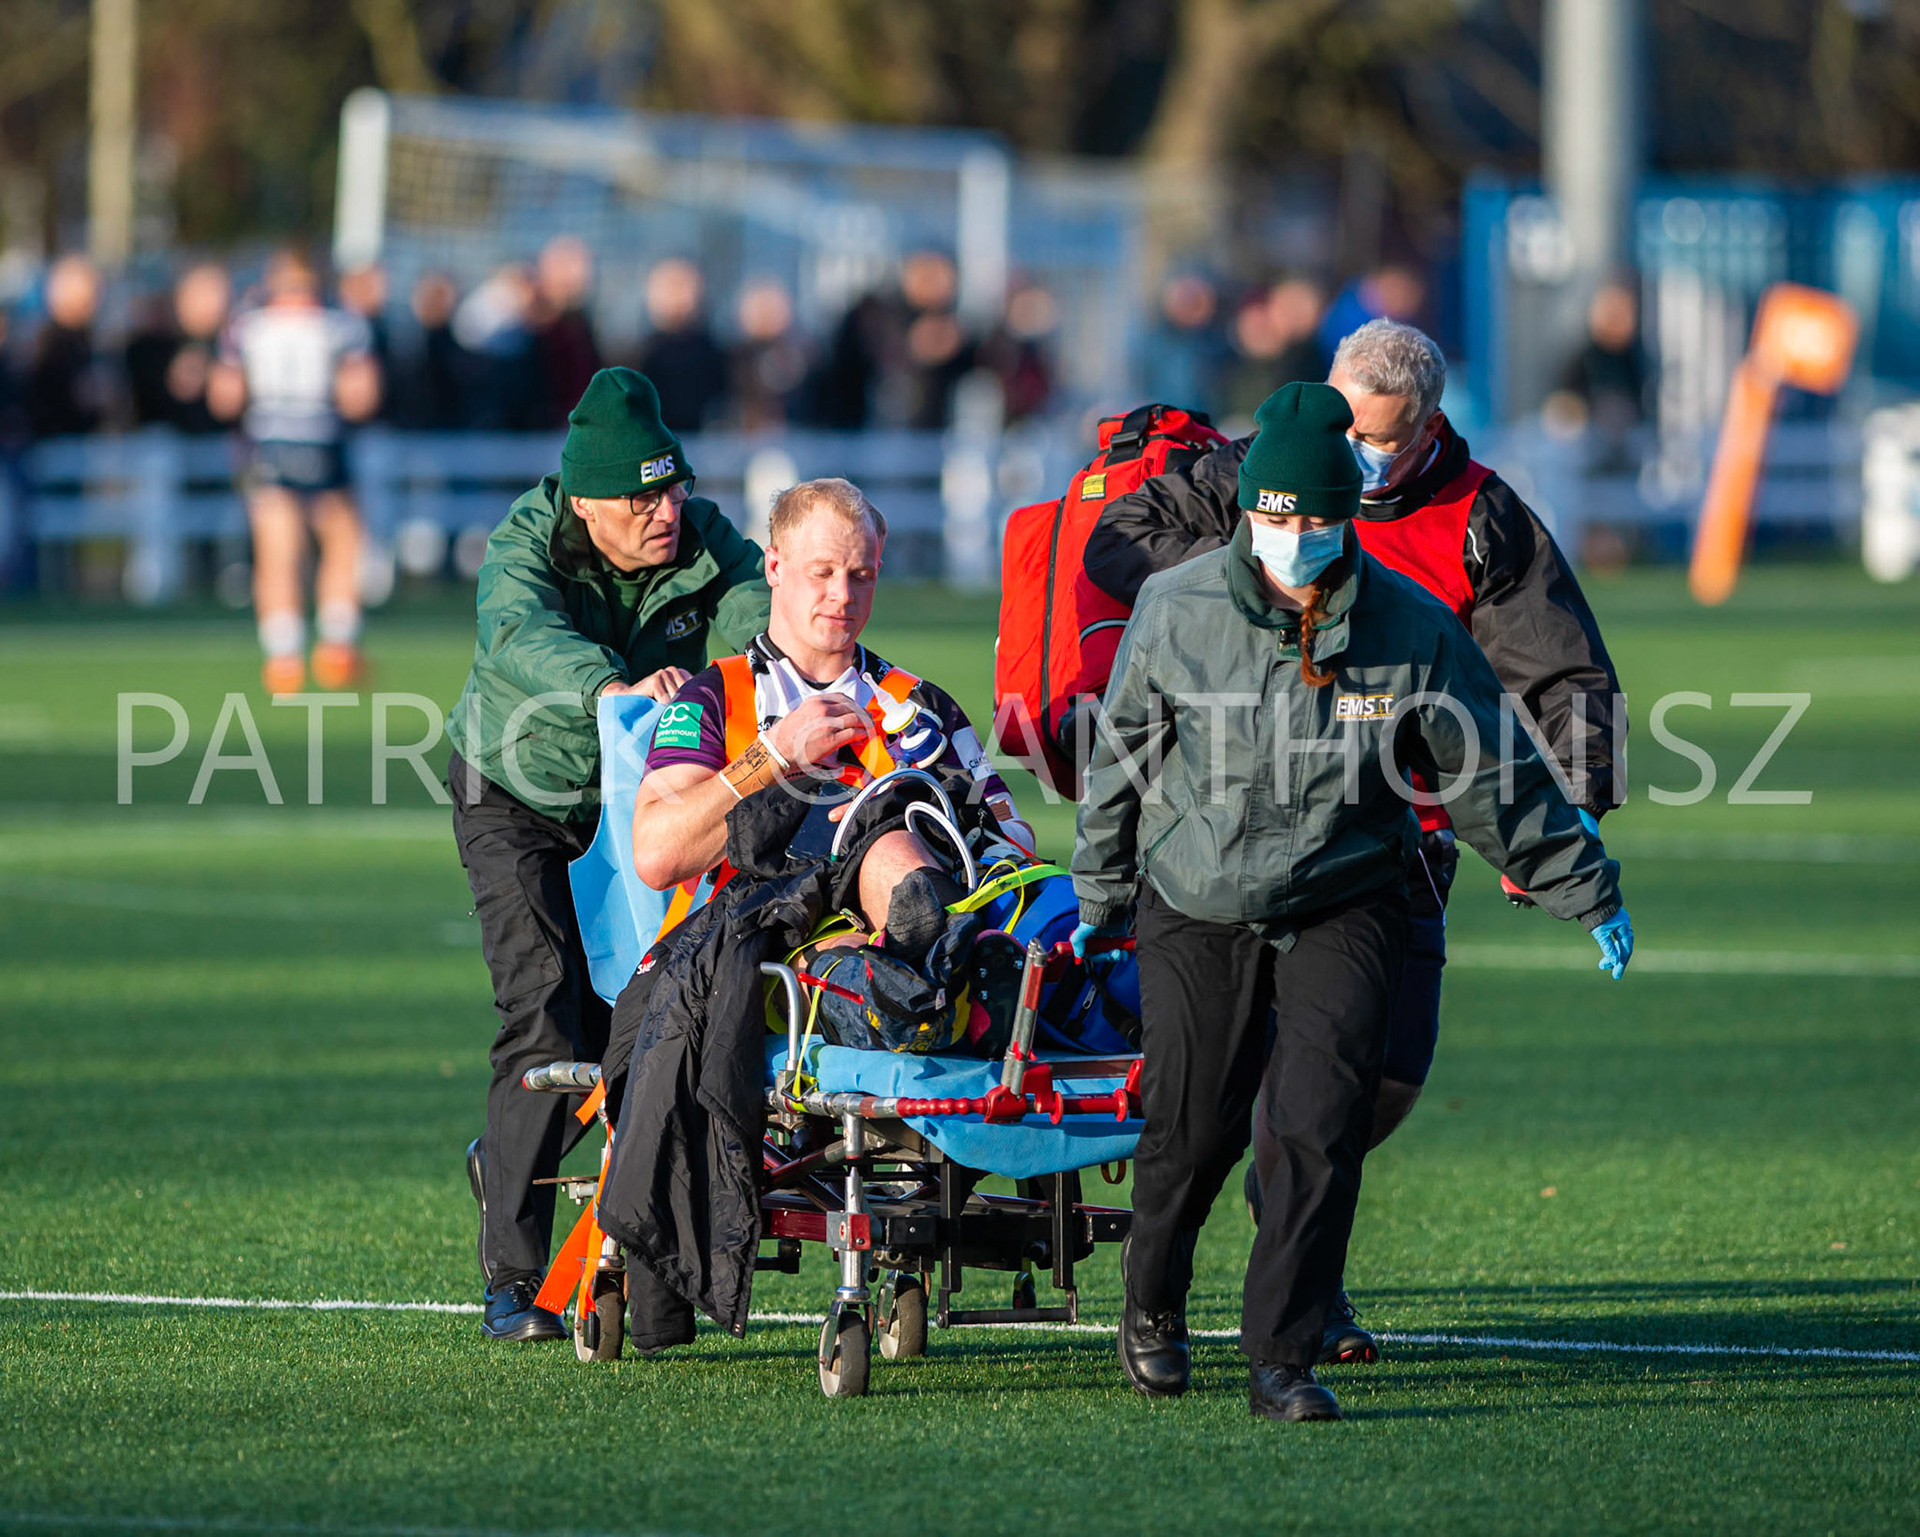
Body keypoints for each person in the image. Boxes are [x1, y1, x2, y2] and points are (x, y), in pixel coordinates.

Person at [1070, 382, 1633, 1423]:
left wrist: (1582, 884)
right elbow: (1120, 763)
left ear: (1345, 519)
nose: (1298, 534)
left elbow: (1491, 773)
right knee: (1193, 1128)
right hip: (1199, 892)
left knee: (1318, 1124)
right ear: (1249, 513)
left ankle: (1282, 1354)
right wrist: (1101, 891)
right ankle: (1151, 1301)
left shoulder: (1409, 626)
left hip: (1349, 891)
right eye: (1279, 514)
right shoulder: (1176, 608)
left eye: (1319, 517)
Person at [445, 367, 771, 1343]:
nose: (666, 509)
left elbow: (758, 597)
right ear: (586, 502)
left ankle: (512, 1154)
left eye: (673, 487)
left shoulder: (701, 534)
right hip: (520, 795)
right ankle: (513, 1277)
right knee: (545, 1015)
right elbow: (519, 632)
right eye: (642, 496)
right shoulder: (526, 541)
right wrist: (611, 685)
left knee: (639, 1018)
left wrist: (747, 668)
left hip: (644, 805)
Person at [630, 476, 1032, 945]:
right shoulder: (716, 695)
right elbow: (657, 856)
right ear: (774, 567)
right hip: (749, 950)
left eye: (862, 576)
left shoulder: (918, 703)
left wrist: (904, 808)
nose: (843, 595)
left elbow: (1015, 840)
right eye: (822, 573)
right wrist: (775, 756)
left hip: (911, 932)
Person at [209, 248, 382, 695]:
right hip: (321, 436)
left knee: (276, 548)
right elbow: (361, 395)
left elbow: (224, 396)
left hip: (268, 439)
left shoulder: (246, 322)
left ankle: (283, 660)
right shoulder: (341, 320)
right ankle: (337, 649)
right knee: (342, 538)